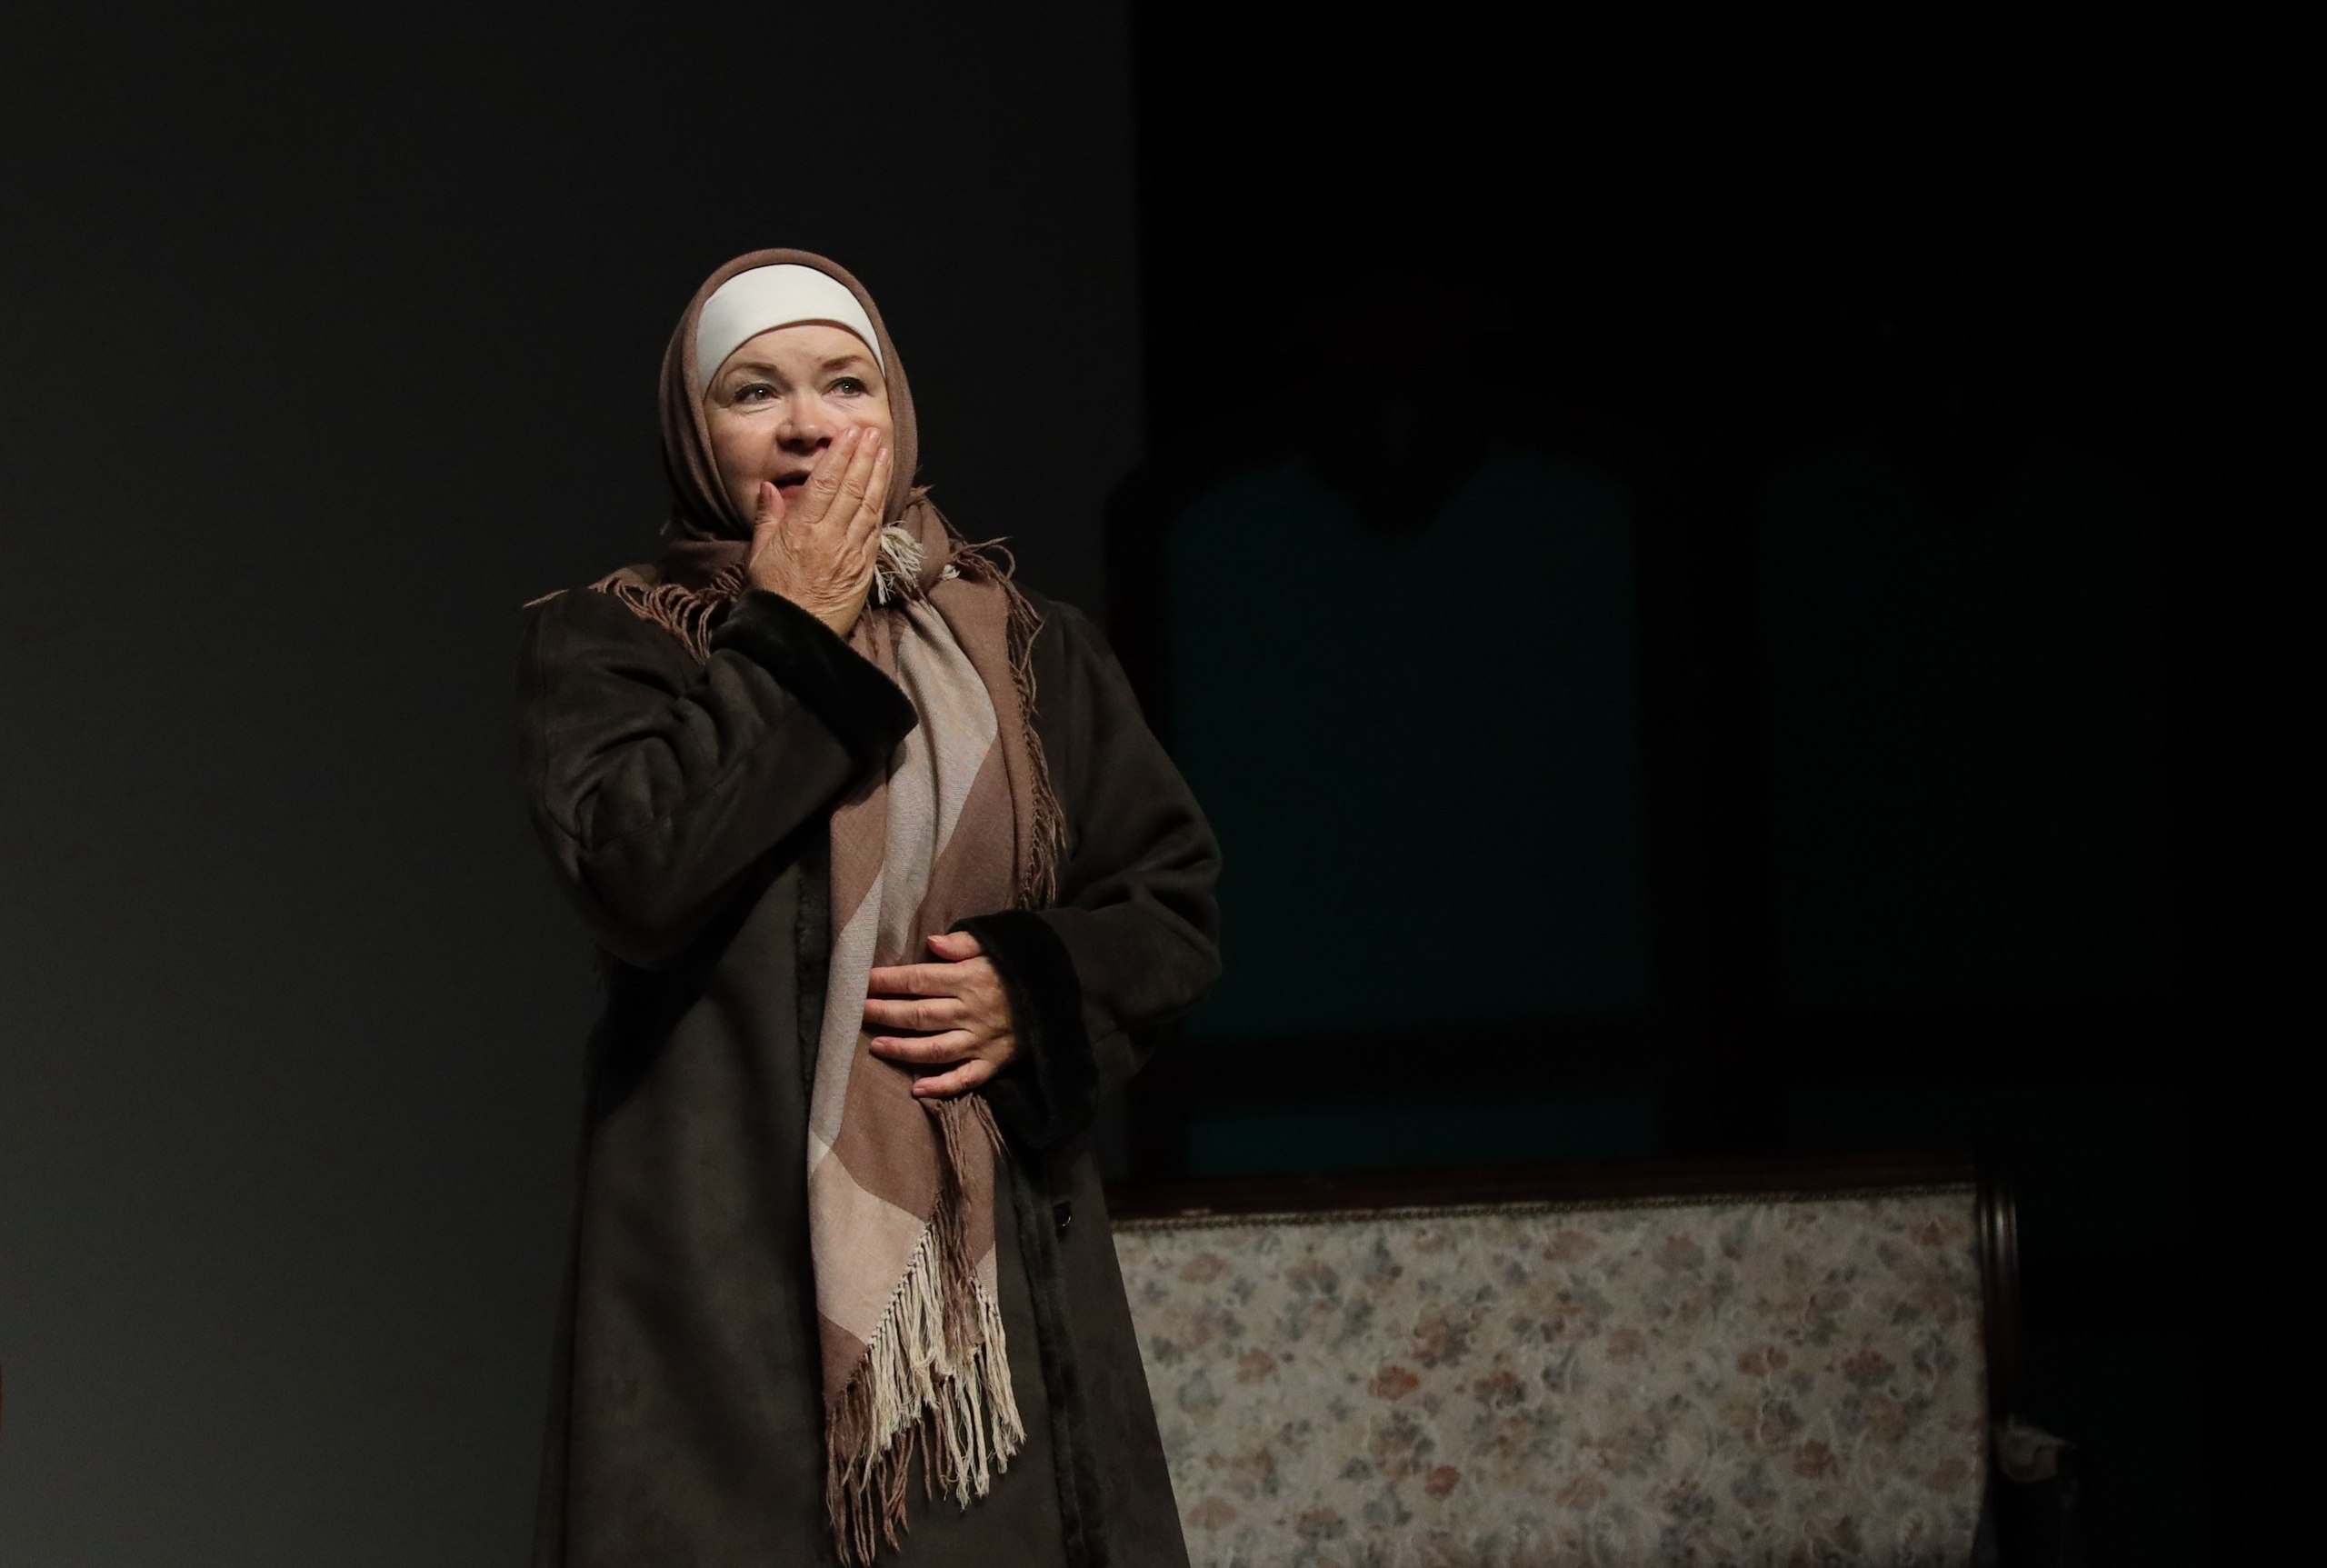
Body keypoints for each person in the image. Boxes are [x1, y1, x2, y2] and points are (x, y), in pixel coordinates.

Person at [516, 250, 1219, 1567]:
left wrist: (1034, 988)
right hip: (725, 1294)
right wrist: (792, 629)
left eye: (847, 382)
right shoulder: (620, 643)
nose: (808, 424)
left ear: (894, 408)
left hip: (996, 1288)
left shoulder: (1029, 644)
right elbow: (639, 876)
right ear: (693, 432)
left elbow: (1169, 904)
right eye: (754, 391)